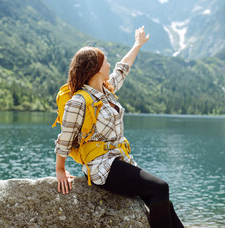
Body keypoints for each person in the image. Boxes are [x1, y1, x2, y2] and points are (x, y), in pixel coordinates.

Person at [54, 26, 185, 228]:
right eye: (105, 61)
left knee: (164, 202)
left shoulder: (106, 90)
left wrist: (138, 44)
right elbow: (66, 137)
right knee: (160, 188)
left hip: (119, 160)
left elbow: (122, 68)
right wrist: (60, 169)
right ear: (97, 68)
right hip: (101, 167)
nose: (109, 64)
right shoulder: (79, 101)